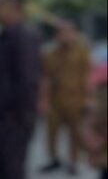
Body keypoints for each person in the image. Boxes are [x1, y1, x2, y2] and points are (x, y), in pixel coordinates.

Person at [0, 0, 42, 179]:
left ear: (13, 7)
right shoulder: (3, 37)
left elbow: (28, 81)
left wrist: (21, 120)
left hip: (12, 122)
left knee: (13, 171)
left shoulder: (23, 37)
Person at [39, 21, 92, 175]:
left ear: (74, 34)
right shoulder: (51, 55)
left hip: (76, 99)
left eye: (68, 32)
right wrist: (44, 100)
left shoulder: (82, 53)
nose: (65, 36)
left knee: (75, 133)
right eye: (62, 33)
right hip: (55, 100)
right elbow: (45, 78)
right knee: (51, 132)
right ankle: (54, 158)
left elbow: (88, 77)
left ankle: (73, 162)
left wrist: (89, 99)